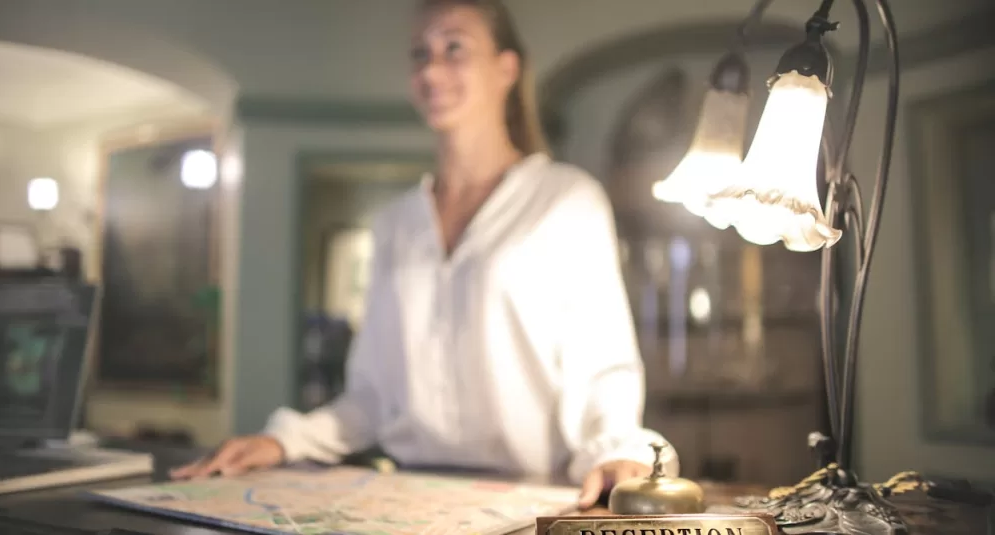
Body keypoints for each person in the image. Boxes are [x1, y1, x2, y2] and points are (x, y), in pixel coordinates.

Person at [171, 0, 679, 508]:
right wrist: (284, 440)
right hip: (406, 499)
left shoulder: (565, 199)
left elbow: (603, 366)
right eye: (420, 53)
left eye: (454, 48)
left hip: (531, 499)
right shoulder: (396, 224)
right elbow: (369, 398)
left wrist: (615, 450)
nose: (432, 69)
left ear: (507, 67)